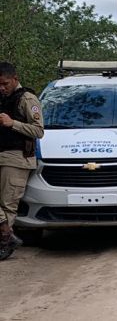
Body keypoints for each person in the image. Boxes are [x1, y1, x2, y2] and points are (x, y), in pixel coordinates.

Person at [0, 62, 44, 260]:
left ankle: (4, 243)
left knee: (8, 204)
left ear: (15, 79)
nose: (2, 88)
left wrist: (13, 123)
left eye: (5, 83)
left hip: (17, 158)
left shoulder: (27, 99)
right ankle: (7, 236)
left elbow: (39, 130)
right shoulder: (2, 98)